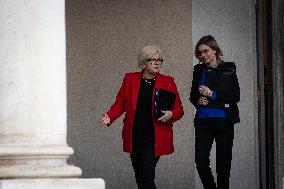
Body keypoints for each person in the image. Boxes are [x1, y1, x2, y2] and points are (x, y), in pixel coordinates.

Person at [99, 45, 184, 189]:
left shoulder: (168, 81)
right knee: (140, 176)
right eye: (152, 60)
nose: (157, 63)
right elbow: (120, 103)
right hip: (134, 135)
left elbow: (179, 109)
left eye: (159, 60)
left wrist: (171, 114)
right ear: (143, 63)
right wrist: (110, 117)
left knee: (145, 176)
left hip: (155, 136)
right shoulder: (130, 79)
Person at [189, 35, 240, 189]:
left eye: (206, 51)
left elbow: (235, 96)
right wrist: (197, 100)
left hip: (224, 121)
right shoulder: (198, 70)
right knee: (201, 161)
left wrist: (213, 94)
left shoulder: (229, 67)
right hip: (203, 121)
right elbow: (192, 95)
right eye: (200, 53)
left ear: (215, 50)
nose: (203, 55)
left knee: (223, 166)